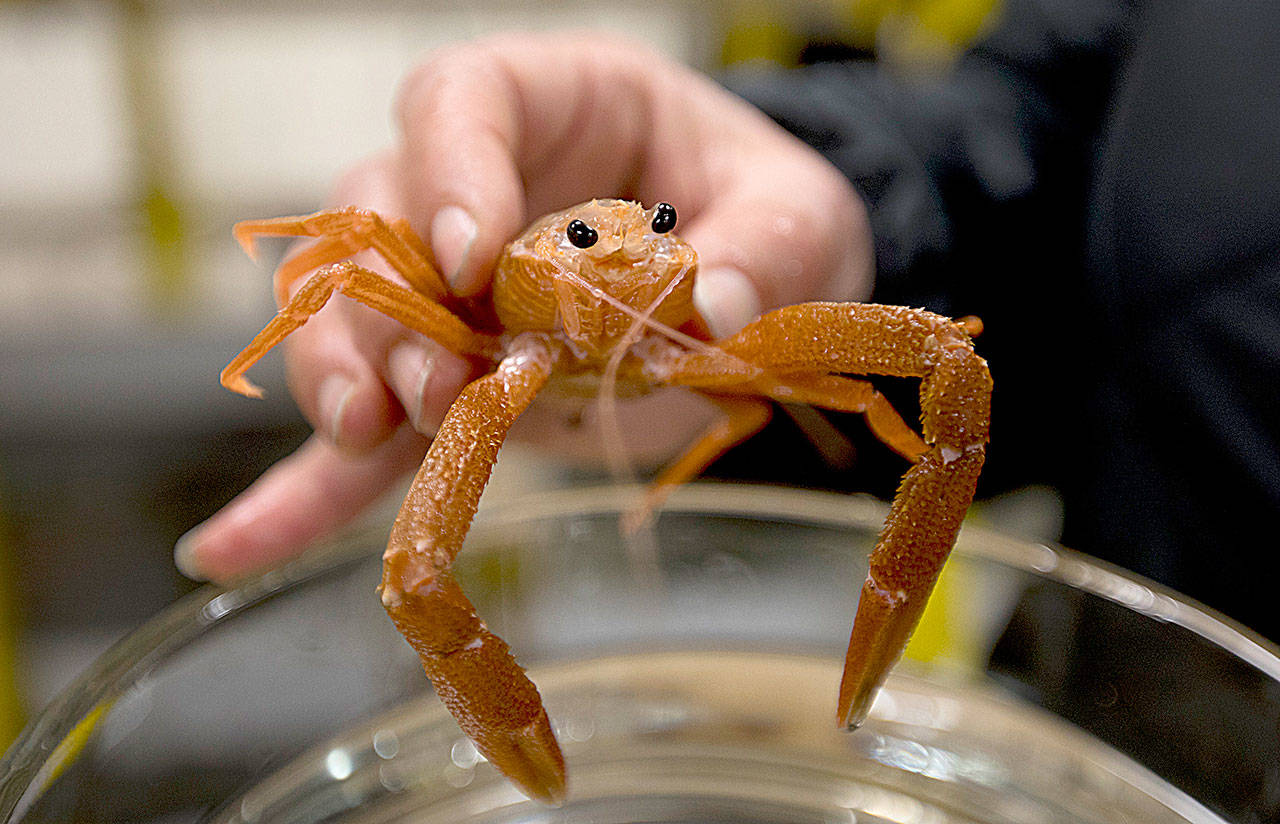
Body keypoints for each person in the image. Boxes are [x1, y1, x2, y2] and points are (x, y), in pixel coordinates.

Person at [176, 0, 1280, 644]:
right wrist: (861, 204)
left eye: (655, 226)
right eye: (592, 242)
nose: (640, 248)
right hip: (1107, 676)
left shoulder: (682, 298)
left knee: (908, 360)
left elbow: (898, 372)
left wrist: (891, 423)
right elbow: (1060, 123)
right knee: (418, 562)